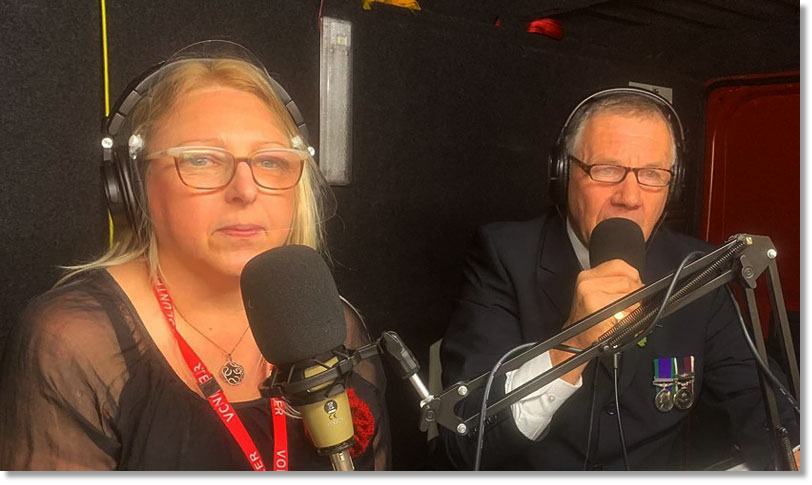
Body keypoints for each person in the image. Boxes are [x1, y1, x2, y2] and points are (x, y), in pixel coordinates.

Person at [0, 41, 390, 471]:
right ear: (133, 187)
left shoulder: (332, 325)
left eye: (271, 161)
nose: (245, 190)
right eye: (201, 159)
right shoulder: (74, 341)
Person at [441, 88, 798, 470]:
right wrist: (572, 343)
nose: (630, 197)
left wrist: (793, 449)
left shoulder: (697, 270)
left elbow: (759, 399)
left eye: (652, 175)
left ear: (673, 186)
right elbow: (466, 441)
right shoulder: (504, 255)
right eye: (607, 170)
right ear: (563, 174)